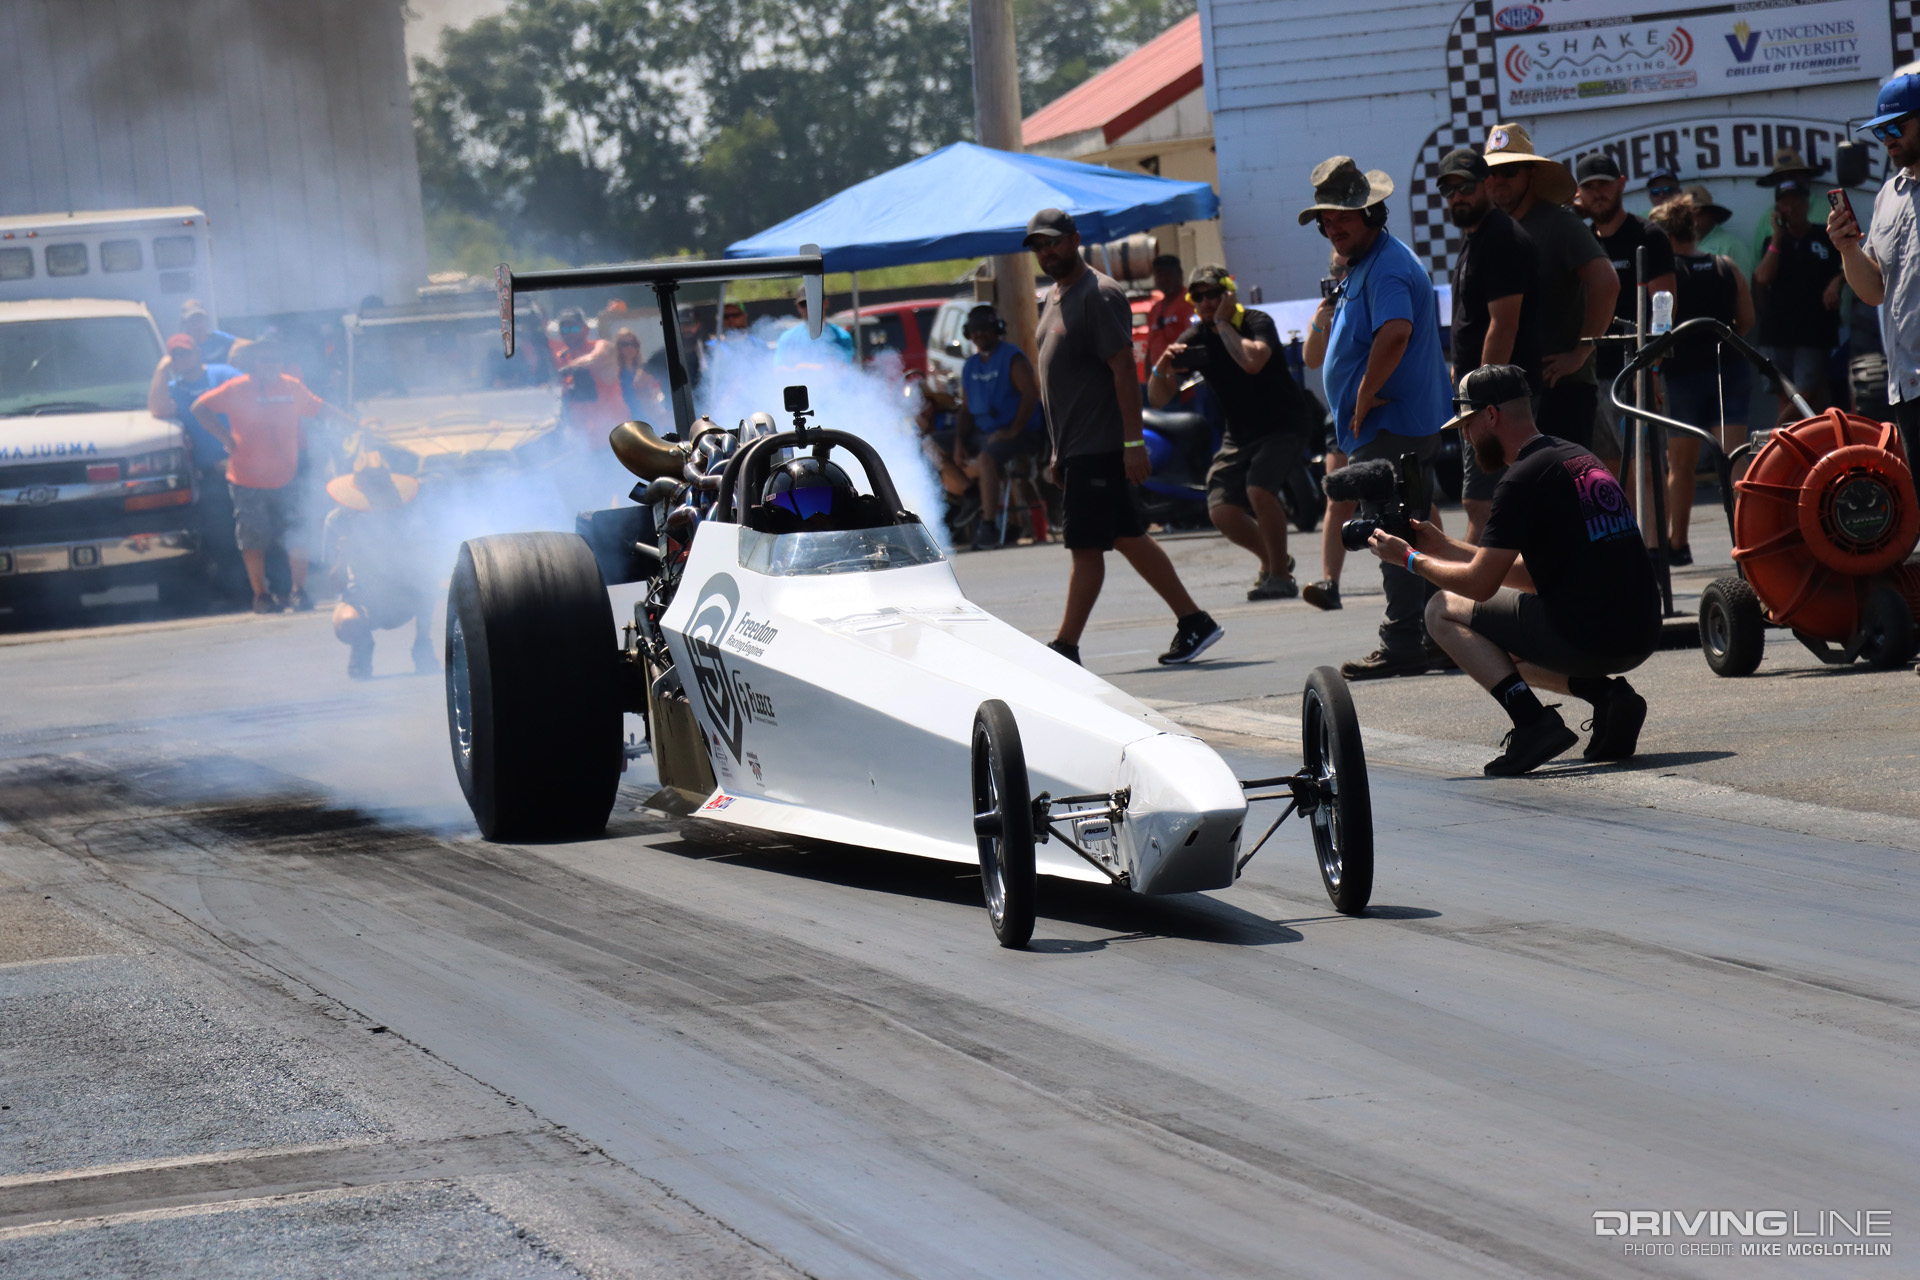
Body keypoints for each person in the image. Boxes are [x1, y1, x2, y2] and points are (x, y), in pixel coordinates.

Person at [1369, 365, 1659, 776]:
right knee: (1502, 638)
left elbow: (1480, 586)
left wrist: (1409, 559)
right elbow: (1533, 573)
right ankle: (1610, 696)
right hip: (1641, 631)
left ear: (1491, 416)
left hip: (1591, 639)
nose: (1465, 438)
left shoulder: (1519, 481)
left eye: (1467, 424)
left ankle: (1532, 722)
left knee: (1441, 610)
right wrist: (1445, 547)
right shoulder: (1578, 457)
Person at [1026, 207, 1221, 666]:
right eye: (1037, 245)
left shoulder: (1101, 294)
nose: (1046, 251)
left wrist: (1133, 442)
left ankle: (1066, 648)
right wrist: (1058, 449)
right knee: (1129, 536)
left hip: (1100, 445)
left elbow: (1121, 371)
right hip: (1076, 447)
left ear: (1074, 239)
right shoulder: (1055, 295)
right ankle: (1194, 621)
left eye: (1052, 241)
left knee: (1086, 546)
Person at [1299, 156, 1450, 678]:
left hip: (1389, 424)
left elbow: (1395, 333)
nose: (1334, 227)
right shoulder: (1365, 262)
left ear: (1372, 214)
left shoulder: (1386, 265)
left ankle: (1405, 640)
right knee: (1411, 525)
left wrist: (1363, 395)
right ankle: (1438, 635)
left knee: (1389, 529)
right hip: (1389, 423)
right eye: (1327, 220)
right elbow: (1323, 353)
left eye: (1344, 216)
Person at [1149, 265, 1309, 599]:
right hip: (1239, 433)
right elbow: (1158, 398)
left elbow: (1253, 362)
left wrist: (1223, 322)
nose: (1206, 303)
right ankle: (1274, 559)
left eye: (1213, 294)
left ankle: (1279, 576)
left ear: (1228, 294)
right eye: (1199, 296)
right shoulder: (1196, 337)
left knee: (1259, 492)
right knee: (1221, 510)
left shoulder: (1255, 322)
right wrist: (1162, 367)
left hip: (1282, 424)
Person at [1481, 123, 1620, 453]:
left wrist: (1582, 350)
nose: (1498, 181)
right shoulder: (1497, 229)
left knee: (1564, 493)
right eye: (1491, 173)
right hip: (1517, 393)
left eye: (1509, 171)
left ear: (1530, 174)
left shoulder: (1558, 223)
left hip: (1562, 388)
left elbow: (1607, 283)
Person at [190, 337, 355, 614]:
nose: (270, 364)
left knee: (297, 535)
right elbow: (200, 408)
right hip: (246, 479)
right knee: (253, 540)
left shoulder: (292, 387)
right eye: (264, 359)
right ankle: (261, 595)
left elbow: (321, 409)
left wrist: (352, 423)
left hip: (287, 477)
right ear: (254, 363)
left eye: (275, 359)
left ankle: (298, 592)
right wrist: (225, 438)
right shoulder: (237, 388)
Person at [1438, 146, 1540, 544]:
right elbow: (1472, 317)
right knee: (1489, 500)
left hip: (1498, 400)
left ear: (1486, 185)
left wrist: (1482, 398)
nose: (1456, 197)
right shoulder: (1475, 237)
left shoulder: (1502, 239)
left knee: (1485, 502)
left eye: (1464, 186)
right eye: (1448, 190)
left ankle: (1478, 597)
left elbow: (1504, 323)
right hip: (1482, 396)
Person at [1644, 199, 1755, 563]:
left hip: (1682, 377)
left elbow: (1656, 331)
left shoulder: (1665, 274)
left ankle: (1678, 544)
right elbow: (1747, 320)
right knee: (1735, 460)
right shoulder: (1725, 266)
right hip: (1728, 371)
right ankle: (1749, 539)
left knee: (1680, 468)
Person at [1833, 72, 1920, 471]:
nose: (1887, 138)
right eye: (1879, 130)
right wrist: (1848, 247)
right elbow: (1874, 292)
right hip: (1906, 384)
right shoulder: (1888, 194)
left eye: (1896, 126)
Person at [1575, 152, 1675, 470]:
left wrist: (1651, 369)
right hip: (1590, 377)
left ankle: (1653, 525)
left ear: (1621, 184)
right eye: (1588, 187)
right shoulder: (1582, 240)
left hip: (1634, 373)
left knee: (1646, 473)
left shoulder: (1648, 236)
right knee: (1606, 476)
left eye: (1603, 184)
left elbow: (1664, 309)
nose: (1597, 193)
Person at [148, 335, 247, 600]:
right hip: (212, 478)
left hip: (246, 469)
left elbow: (254, 395)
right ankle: (239, 596)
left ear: (198, 352)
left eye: (186, 353)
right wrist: (161, 369)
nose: (182, 359)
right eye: (176, 355)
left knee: (257, 533)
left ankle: (272, 589)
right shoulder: (173, 389)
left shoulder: (224, 374)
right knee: (223, 538)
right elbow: (157, 409)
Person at [322, 451, 434, 680]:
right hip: (362, 599)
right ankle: (362, 647)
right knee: (347, 622)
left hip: (403, 594)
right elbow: (335, 586)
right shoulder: (338, 520)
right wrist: (344, 555)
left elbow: (426, 560)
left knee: (428, 580)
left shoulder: (406, 513)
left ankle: (423, 643)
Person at [1754, 150, 1842, 418]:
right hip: (1777, 332)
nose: (1791, 208)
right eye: (1784, 203)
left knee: (1808, 393)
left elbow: (1850, 264)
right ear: (1777, 208)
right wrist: (1778, 239)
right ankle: (1791, 451)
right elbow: (1762, 278)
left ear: (1806, 203)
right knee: (1785, 396)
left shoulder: (1823, 235)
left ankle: (1774, 436)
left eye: (1795, 202)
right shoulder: (1772, 242)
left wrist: (1838, 282)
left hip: (1814, 332)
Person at [953, 304, 1043, 551]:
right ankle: (971, 495)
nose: (980, 334)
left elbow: (1030, 394)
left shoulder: (1011, 357)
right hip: (985, 433)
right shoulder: (971, 365)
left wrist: (1013, 430)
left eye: (985, 328)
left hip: (1021, 434)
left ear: (997, 330)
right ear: (967, 333)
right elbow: (966, 409)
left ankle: (989, 524)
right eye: (975, 330)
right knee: (930, 445)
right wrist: (959, 444)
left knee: (987, 458)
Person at [1302, 250, 1350, 610]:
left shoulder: (1372, 291)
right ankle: (1330, 582)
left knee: (1411, 495)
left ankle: (1438, 571)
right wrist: (1320, 324)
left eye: (1343, 267)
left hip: (1381, 409)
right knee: (1337, 496)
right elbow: (1311, 358)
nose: (1338, 274)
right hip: (1341, 413)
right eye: (1334, 268)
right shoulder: (1328, 309)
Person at [551, 307, 629, 439]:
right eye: (565, 330)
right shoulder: (561, 358)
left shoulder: (602, 346)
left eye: (574, 329)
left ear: (585, 330)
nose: (569, 334)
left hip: (613, 435)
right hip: (582, 438)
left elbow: (595, 359)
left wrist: (569, 368)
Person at [1684, 184, 1753, 278]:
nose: (1694, 219)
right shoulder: (1678, 246)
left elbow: (1744, 285)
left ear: (1711, 214)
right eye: (1688, 213)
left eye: (1700, 212)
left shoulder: (1731, 245)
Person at [774, 288, 856, 368]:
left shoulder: (842, 337)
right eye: (804, 304)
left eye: (814, 301)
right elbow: (779, 371)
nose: (809, 307)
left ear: (825, 303)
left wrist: (806, 369)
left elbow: (842, 370)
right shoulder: (788, 338)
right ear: (798, 307)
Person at [1142, 254, 1194, 377]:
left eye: (1168, 274)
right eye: (1159, 274)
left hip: (1182, 376)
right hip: (1159, 378)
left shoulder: (1189, 302)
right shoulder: (1155, 309)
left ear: (1180, 275)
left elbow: (1193, 340)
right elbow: (1150, 348)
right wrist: (1148, 379)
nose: (1164, 279)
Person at [613, 327, 665, 420]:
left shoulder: (645, 370)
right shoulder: (614, 372)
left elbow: (656, 394)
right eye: (625, 344)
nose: (630, 348)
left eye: (633, 344)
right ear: (618, 347)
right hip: (624, 420)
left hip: (647, 419)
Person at [180, 299, 238, 365]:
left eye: (200, 319)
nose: (198, 324)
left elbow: (244, 344)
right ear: (184, 324)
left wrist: (235, 350)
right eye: (193, 320)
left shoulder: (218, 337)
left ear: (206, 320)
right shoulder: (183, 346)